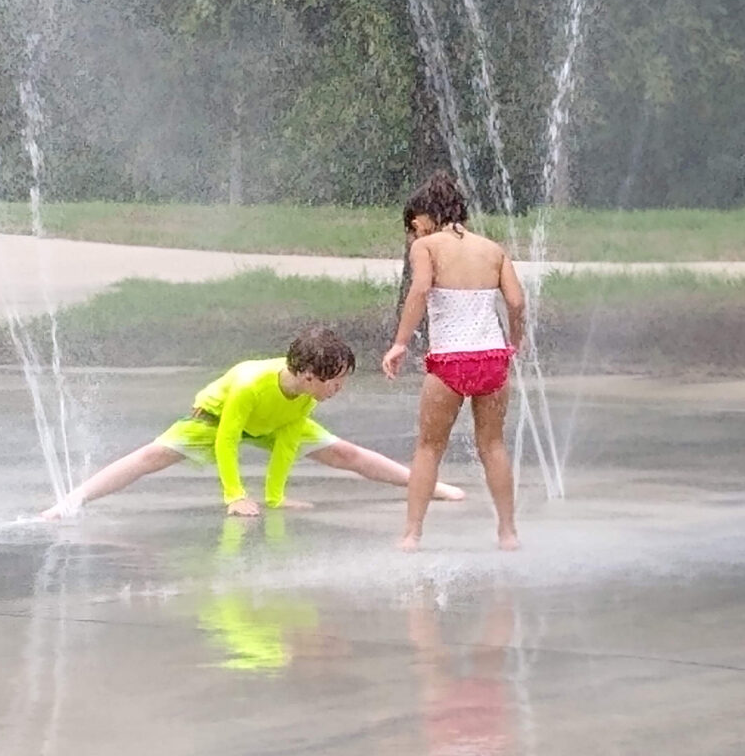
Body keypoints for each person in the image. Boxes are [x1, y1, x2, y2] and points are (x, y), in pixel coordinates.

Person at [42, 325, 464, 520]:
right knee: (151, 456)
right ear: (308, 375)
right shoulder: (249, 384)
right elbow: (227, 441)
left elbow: (288, 439)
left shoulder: (306, 395)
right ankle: (68, 504)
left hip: (270, 422)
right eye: (335, 382)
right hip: (214, 418)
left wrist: (275, 498)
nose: (340, 389)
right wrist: (235, 496)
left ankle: (430, 486)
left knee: (346, 453)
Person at [382, 170, 525, 551]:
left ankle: (412, 534)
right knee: (493, 445)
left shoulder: (426, 247)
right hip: (492, 359)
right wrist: (515, 341)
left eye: (413, 228)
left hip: (449, 360)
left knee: (429, 447)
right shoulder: (493, 249)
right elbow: (516, 301)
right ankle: (508, 533)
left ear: (421, 220)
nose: (413, 235)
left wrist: (399, 343)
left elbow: (420, 290)